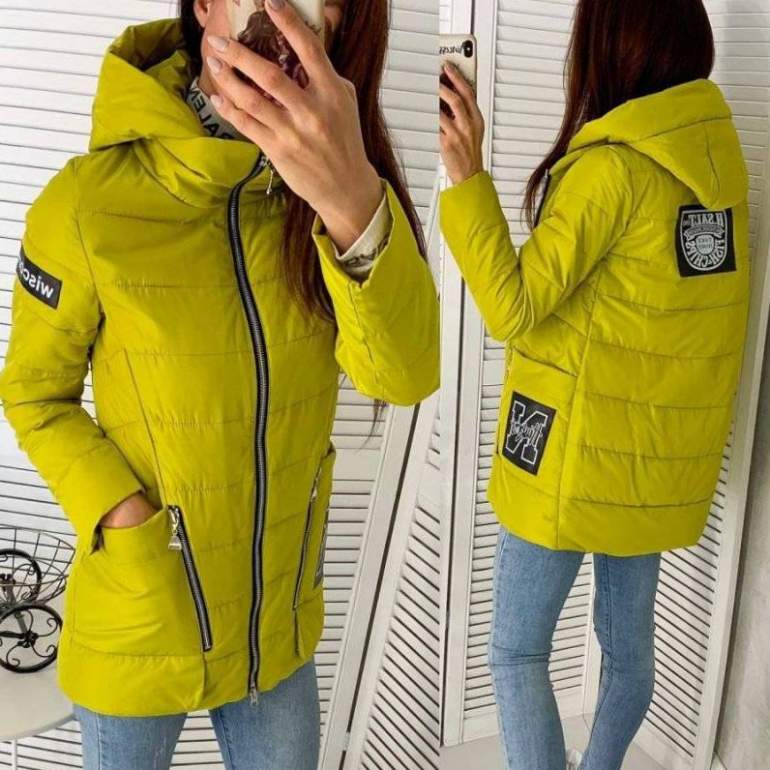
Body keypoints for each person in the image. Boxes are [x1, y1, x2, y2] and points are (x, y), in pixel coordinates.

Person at [0, 0, 439, 767]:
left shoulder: (330, 197)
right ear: (205, 5)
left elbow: (405, 377)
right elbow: (35, 394)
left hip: (276, 623)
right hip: (142, 614)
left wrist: (349, 198)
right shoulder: (87, 203)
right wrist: (126, 519)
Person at [438, 1, 749, 769]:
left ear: (610, 48)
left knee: (515, 651)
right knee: (628, 656)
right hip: (653, 472)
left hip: (568, 462)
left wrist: (467, 176)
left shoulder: (614, 168)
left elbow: (513, 306)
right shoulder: (718, 173)